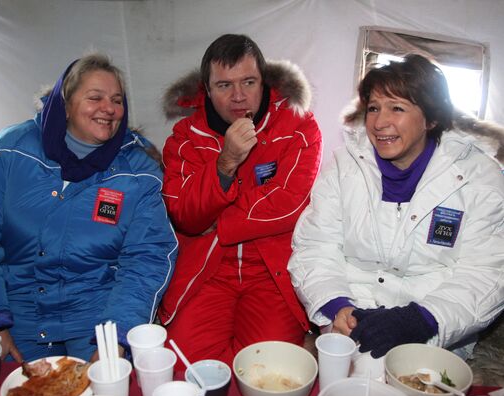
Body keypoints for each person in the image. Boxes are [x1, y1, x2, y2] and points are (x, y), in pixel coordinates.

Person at [0, 54, 177, 362]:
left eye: (117, 100)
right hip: (16, 314)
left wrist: (117, 339)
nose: (109, 108)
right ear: (66, 104)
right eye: (95, 97)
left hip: (97, 320)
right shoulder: (10, 152)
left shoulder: (137, 172)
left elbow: (148, 256)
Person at [289, 54, 504, 365]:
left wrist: (423, 320)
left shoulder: (477, 177)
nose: (379, 122)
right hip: (350, 319)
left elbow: (487, 273)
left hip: (431, 328)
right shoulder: (344, 167)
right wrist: (337, 306)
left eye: (397, 108)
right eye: (374, 108)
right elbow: (315, 246)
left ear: (431, 119)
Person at [159, 34, 322, 367]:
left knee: (269, 370)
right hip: (207, 270)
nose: (238, 96)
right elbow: (185, 215)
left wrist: (219, 222)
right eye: (223, 85)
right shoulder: (185, 137)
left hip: (271, 271)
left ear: (264, 81)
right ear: (205, 88)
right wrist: (226, 162)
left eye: (248, 82)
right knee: (184, 367)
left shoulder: (299, 126)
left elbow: (290, 204)